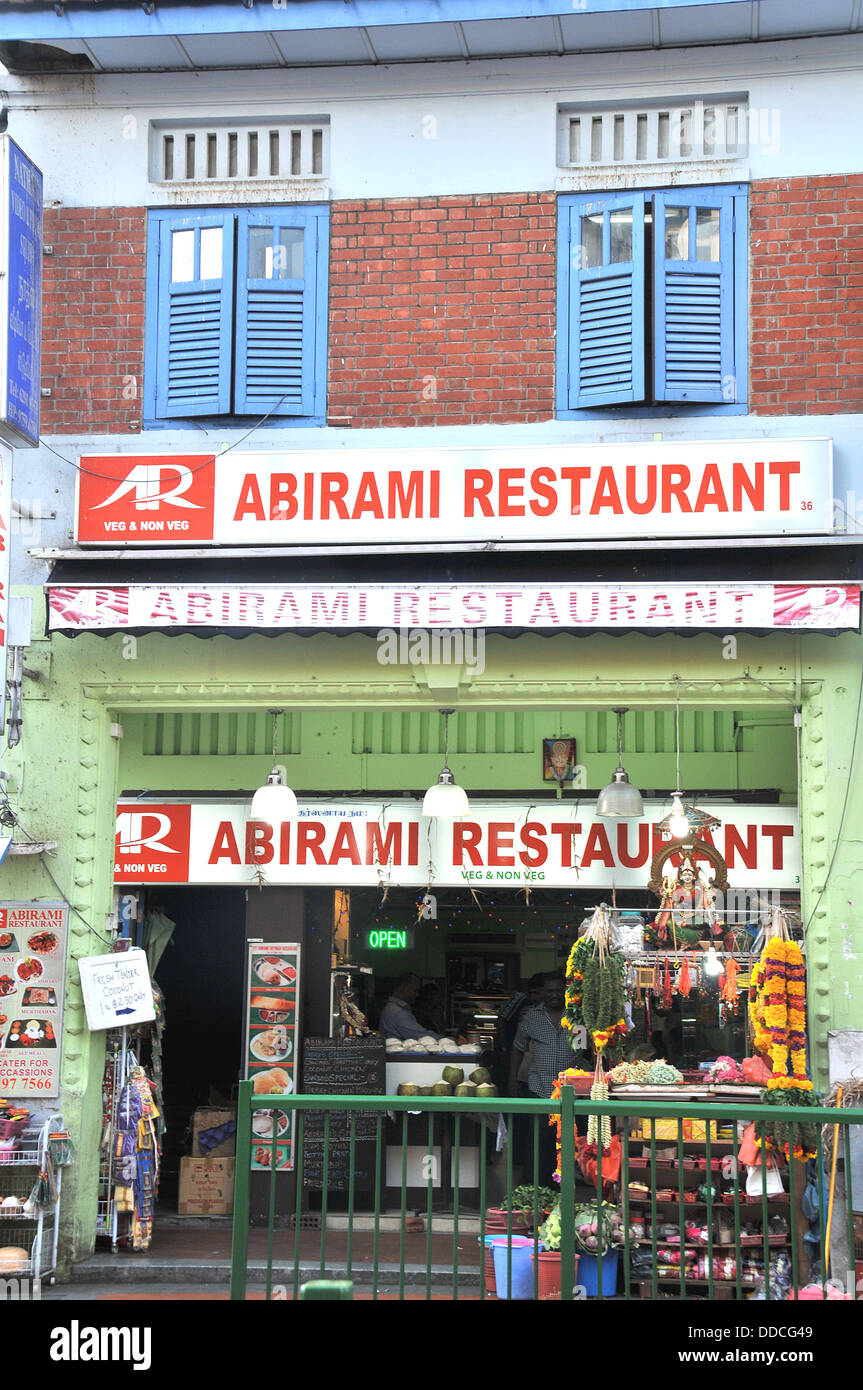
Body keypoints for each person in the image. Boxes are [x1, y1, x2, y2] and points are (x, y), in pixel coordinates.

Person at [508, 973, 590, 1185]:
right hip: (539, 1087)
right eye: (550, 991)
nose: (555, 995)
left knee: (566, 1138)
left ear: (566, 992)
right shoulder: (531, 1018)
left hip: (570, 1090)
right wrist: (512, 1079)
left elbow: (582, 1050)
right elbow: (517, 1048)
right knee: (538, 1137)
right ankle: (533, 1184)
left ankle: (561, 1185)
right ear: (542, 993)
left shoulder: (576, 1017)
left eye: (559, 990)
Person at [378, 973, 443, 1042]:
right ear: (404, 988)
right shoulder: (397, 1012)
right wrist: (446, 1039)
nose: (417, 994)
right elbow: (419, 1035)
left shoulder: (394, 1008)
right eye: (415, 990)